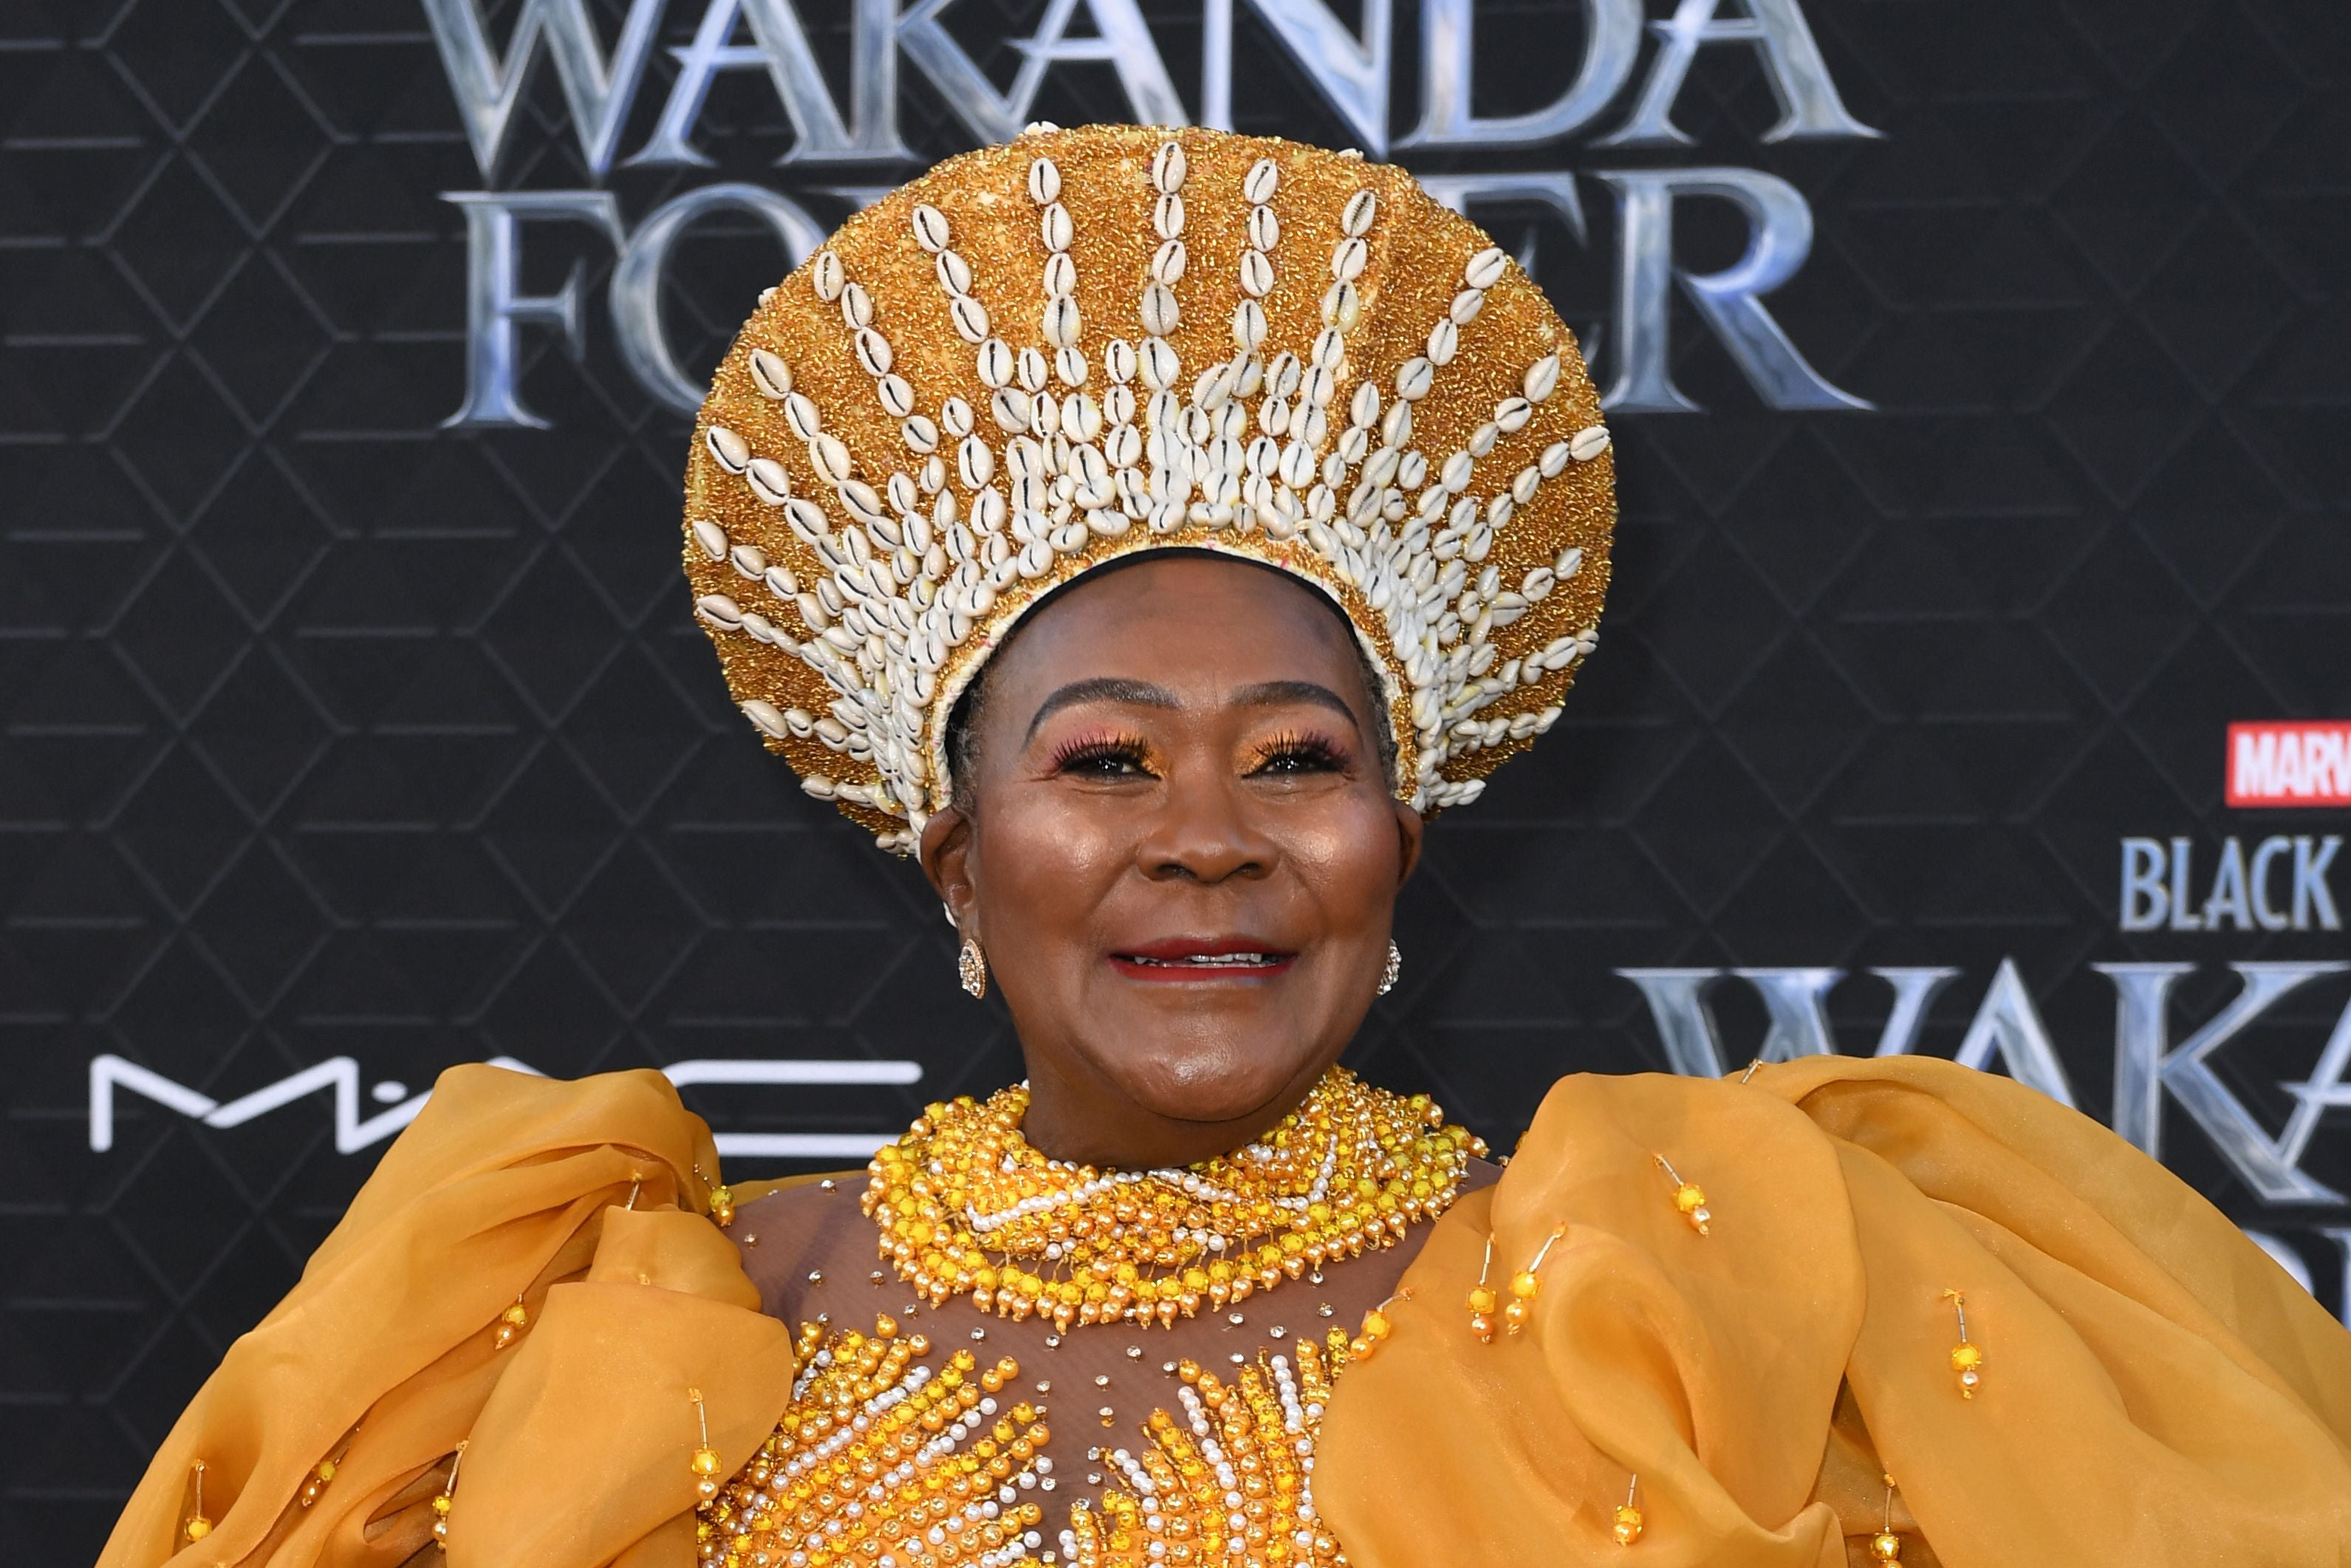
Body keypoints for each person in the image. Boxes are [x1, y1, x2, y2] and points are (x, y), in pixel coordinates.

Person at [100, 126, 2351, 1568]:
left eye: (1296, 758)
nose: (1209, 842)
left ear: (1398, 840)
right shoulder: (653, 1300)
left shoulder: (1658, 1304)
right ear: (955, 858)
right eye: (1102, 764)